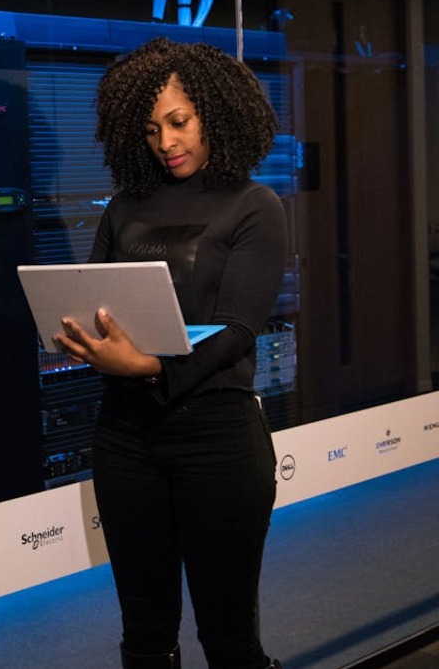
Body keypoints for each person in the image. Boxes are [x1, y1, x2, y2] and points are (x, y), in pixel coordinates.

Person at [53, 37, 286, 669]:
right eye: (152, 129)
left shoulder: (255, 206)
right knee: (145, 637)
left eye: (179, 122)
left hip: (217, 439)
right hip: (126, 439)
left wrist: (151, 366)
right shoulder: (125, 206)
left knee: (229, 640)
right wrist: (79, 334)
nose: (166, 142)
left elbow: (237, 328)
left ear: (215, 111)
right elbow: (97, 297)